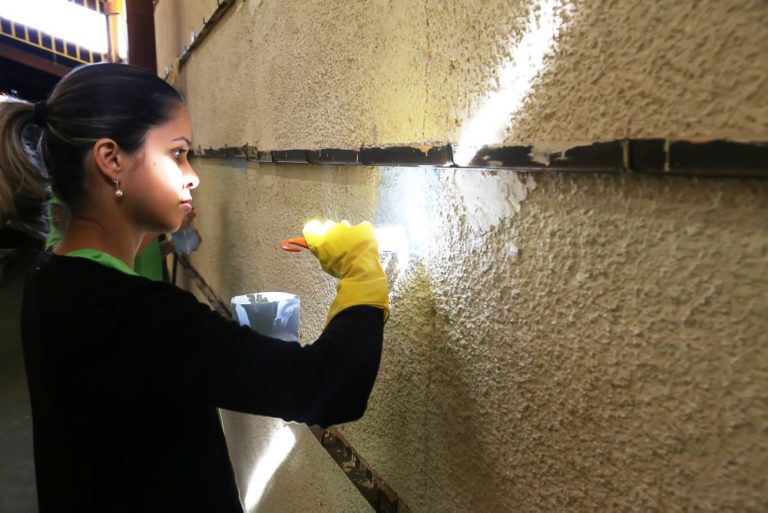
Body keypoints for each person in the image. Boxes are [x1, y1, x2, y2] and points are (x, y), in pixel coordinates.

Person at [0, 63, 389, 512]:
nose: (194, 175)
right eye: (178, 153)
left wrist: (152, 227)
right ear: (111, 160)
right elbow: (324, 386)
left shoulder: (52, 280)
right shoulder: (137, 315)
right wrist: (362, 276)